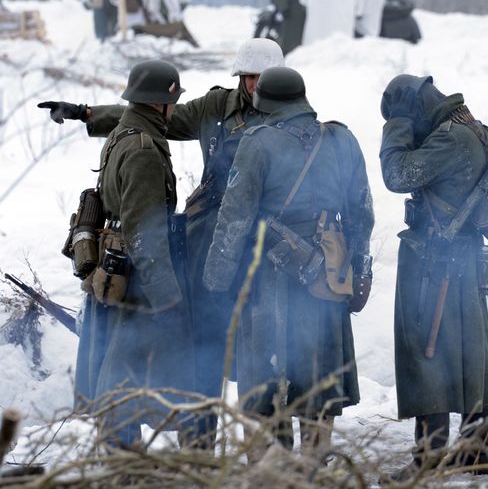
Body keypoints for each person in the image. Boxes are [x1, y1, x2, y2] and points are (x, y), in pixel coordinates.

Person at [37, 38, 285, 447]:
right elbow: (150, 115)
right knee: (199, 345)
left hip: (259, 245)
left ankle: (267, 451)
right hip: (206, 241)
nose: (255, 85)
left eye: (262, 78)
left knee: (260, 351)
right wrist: (86, 114)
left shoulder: (286, 113)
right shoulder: (215, 108)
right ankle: (197, 449)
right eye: (249, 77)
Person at [203, 66, 374, 453]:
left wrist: (216, 281)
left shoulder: (256, 142)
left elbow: (234, 218)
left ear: (263, 101)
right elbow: (362, 212)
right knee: (319, 379)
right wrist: (359, 271)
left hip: (269, 281)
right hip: (328, 278)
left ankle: (271, 477)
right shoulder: (342, 139)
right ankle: (313, 468)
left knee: (266, 384)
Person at [379, 74, 488, 481]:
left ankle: (428, 456)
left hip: (434, 258)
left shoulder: (450, 137)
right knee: (467, 353)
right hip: (457, 255)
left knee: (426, 354)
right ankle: (475, 450)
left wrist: (397, 127)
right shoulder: (469, 127)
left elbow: (397, 176)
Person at [73, 60, 193, 448]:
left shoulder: (126, 130)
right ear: (161, 103)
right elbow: (144, 231)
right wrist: (167, 297)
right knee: (126, 376)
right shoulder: (143, 149)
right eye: (173, 102)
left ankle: (119, 456)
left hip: (117, 270)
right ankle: (122, 464)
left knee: (118, 371)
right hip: (138, 282)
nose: (175, 109)